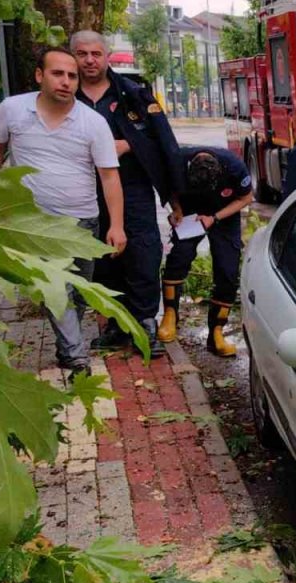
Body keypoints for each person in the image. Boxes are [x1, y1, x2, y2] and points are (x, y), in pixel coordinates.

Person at [0, 47, 126, 381]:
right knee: (57, 291)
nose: (67, 81)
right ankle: (76, 360)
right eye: (58, 73)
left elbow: (109, 176)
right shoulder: (13, 110)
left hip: (82, 222)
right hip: (34, 224)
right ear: (40, 75)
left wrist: (116, 225)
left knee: (79, 292)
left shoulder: (93, 122)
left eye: (72, 76)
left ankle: (66, 348)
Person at [72, 30, 182, 358]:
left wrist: (128, 145)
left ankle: (145, 323)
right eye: (82, 54)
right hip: (84, 191)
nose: (89, 60)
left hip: (133, 190)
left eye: (96, 53)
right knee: (101, 258)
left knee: (143, 254)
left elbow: (164, 144)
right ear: (73, 57)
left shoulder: (134, 95)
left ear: (107, 56)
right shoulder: (64, 97)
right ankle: (118, 325)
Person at [158, 146, 253, 356]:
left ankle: (217, 332)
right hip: (190, 212)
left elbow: (246, 198)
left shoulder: (235, 167)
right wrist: (177, 210)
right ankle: (170, 315)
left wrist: (214, 218)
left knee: (227, 270)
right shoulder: (176, 162)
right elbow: (168, 191)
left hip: (223, 214)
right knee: (178, 258)